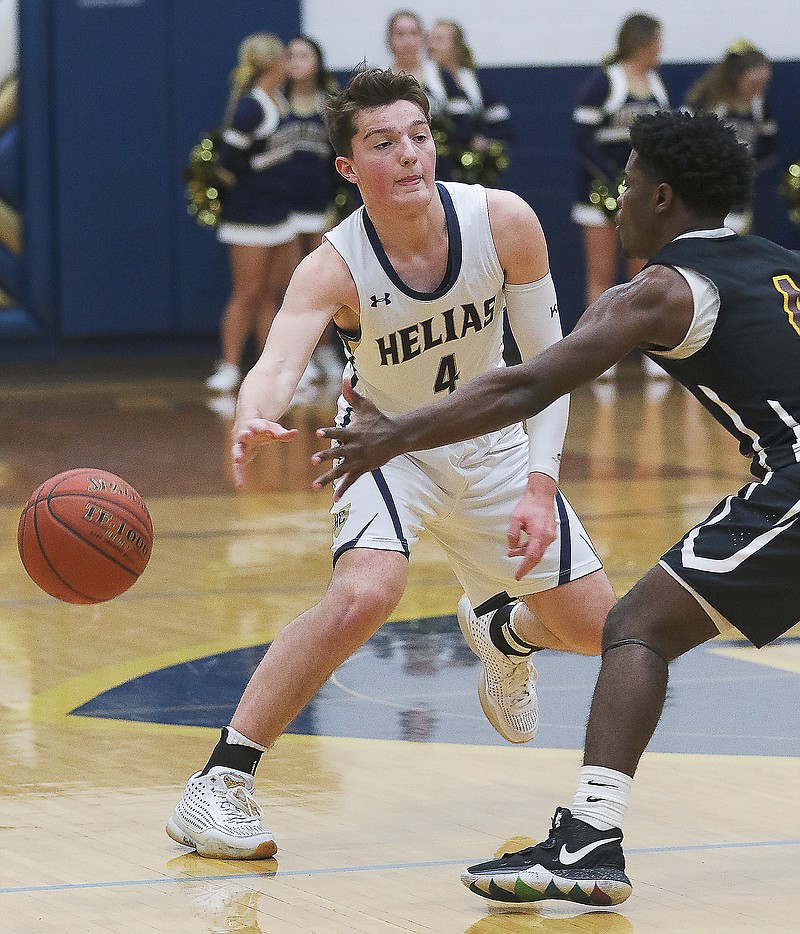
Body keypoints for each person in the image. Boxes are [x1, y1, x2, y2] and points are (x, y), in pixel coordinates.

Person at [312, 109, 800, 907]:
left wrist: (397, 433)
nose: (618, 198)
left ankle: (590, 839)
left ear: (665, 197)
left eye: (631, 181)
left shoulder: (662, 291)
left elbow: (525, 383)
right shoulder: (781, 264)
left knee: (636, 627)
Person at [166, 67, 617, 860]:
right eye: (383, 143)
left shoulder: (504, 222)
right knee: (365, 593)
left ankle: (504, 634)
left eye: (419, 136)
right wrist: (253, 411)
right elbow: (277, 360)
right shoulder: (333, 265)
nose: (409, 155)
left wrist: (542, 484)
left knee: (600, 633)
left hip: (494, 444)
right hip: (383, 443)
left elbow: (552, 369)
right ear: (349, 167)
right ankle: (220, 783)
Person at [572, 13, 668, 379]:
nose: (661, 48)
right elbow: (582, 140)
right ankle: (598, 358)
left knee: (643, 274)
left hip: (642, 199)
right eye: (658, 40)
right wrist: (615, 183)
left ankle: (651, 352)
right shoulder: (604, 81)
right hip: (600, 196)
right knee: (600, 274)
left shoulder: (656, 83)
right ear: (643, 41)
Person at [206, 34, 298, 395]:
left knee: (272, 295)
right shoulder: (251, 107)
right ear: (273, 64)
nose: (290, 65)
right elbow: (228, 161)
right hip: (249, 217)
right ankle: (228, 366)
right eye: (286, 59)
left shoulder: (280, 100)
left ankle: (269, 368)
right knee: (246, 293)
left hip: (279, 213)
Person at [283, 35, 345, 389]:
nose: (296, 61)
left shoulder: (329, 104)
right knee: (291, 284)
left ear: (318, 61)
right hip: (283, 210)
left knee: (323, 283)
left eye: (304, 54)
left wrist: (336, 207)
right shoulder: (275, 103)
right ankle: (298, 357)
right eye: (290, 54)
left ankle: (324, 352)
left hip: (321, 205)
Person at [684, 40, 777, 233]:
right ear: (736, 77)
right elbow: (682, 144)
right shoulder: (706, 102)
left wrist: (746, 169)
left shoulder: (759, 106)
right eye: (754, 84)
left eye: (764, 84)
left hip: (737, 193)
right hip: (704, 190)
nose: (758, 90)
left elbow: (770, 149)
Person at [426, 19, 513, 188]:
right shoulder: (428, 78)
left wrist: (486, 141)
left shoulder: (471, 80)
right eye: (430, 39)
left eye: (439, 39)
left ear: (456, 46)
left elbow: (503, 125)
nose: (432, 45)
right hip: (443, 164)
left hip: (472, 166)